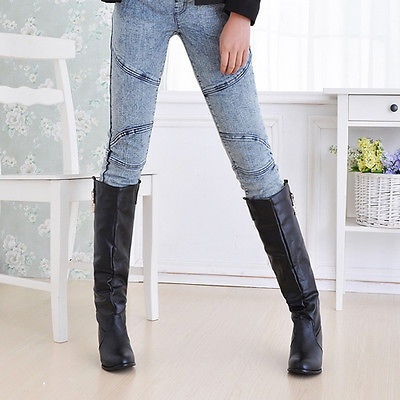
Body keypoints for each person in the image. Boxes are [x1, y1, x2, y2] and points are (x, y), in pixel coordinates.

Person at [93, 0, 323, 375]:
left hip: (213, 10)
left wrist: (243, 13)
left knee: (254, 161)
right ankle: (111, 324)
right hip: (140, 9)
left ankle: (306, 316)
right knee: (124, 158)